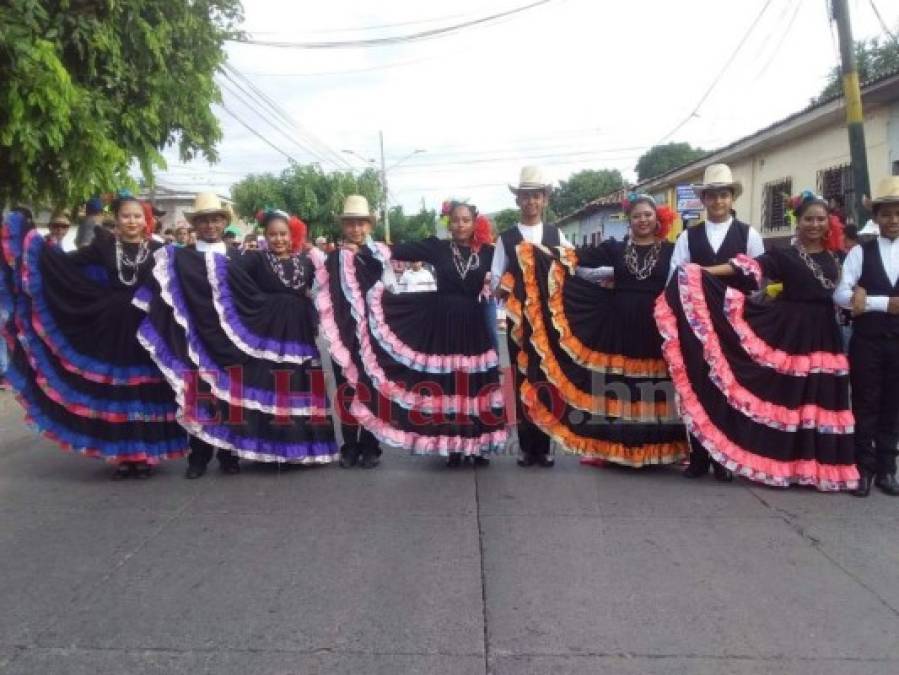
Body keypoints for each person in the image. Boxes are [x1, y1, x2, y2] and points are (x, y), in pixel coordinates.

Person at [657, 192, 857, 490]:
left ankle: (815, 467)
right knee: (790, 399)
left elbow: (846, 290)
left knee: (818, 399)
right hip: (790, 333)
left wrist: (866, 296)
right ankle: (785, 465)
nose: (814, 224)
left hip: (825, 334)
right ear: (798, 222)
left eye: (820, 219)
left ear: (830, 223)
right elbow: (747, 268)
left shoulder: (839, 256)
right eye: (808, 219)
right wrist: (701, 272)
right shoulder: (784, 254)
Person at [135, 205, 337, 474]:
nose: (278, 239)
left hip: (274, 334)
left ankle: (250, 453)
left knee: (277, 388)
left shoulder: (248, 257)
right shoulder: (243, 259)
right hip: (213, 334)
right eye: (273, 234)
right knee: (207, 389)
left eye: (283, 234)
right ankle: (199, 457)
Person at [0, 198, 188, 478]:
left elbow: (181, 283)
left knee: (146, 390)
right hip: (111, 326)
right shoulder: (103, 246)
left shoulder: (162, 251)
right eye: (126, 216)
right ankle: (124, 457)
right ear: (117, 219)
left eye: (137, 216)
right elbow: (65, 265)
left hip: (148, 329)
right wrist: (35, 249)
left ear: (148, 220)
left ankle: (146, 456)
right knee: (118, 391)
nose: (132, 221)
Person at [514, 194, 688, 467]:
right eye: (636, 216)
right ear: (629, 221)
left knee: (654, 386)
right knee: (622, 388)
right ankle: (619, 449)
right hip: (619, 325)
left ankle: (658, 450)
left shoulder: (671, 250)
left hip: (656, 326)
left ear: (658, 219)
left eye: (647, 215)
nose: (642, 220)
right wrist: (541, 253)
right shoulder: (615, 249)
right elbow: (576, 260)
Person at [346, 201, 507, 466]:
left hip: (473, 323)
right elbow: (399, 250)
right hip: (442, 322)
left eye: (466, 220)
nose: (460, 225)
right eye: (455, 220)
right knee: (450, 386)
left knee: (476, 386)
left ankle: (477, 446)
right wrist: (362, 247)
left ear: (475, 222)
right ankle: (454, 447)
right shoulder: (438, 247)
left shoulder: (489, 252)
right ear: (449, 222)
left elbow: (512, 266)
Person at [669, 163, 765, 481]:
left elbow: (758, 275)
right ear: (705, 199)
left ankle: (725, 458)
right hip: (695, 323)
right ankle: (698, 455)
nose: (718, 201)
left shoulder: (748, 234)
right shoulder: (689, 236)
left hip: (733, 323)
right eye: (712, 195)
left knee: (729, 387)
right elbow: (676, 276)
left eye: (723, 195)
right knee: (697, 386)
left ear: (731, 197)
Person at [492, 166, 568, 468]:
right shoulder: (506, 238)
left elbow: (570, 268)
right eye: (526, 196)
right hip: (518, 323)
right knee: (522, 378)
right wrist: (510, 288)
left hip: (548, 321)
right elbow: (496, 278)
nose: (531, 202)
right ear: (518, 201)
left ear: (545, 200)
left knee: (547, 379)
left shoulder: (555, 234)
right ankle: (526, 446)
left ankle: (545, 444)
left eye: (536, 196)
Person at [835, 177, 899, 497]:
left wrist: (866, 300)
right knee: (864, 402)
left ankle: (888, 469)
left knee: (893, 405)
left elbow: (858, 298)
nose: (893, 220)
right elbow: (842, 295)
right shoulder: (861, 251)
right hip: (867, 341)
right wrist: (885, 303)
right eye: (887, 213)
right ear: (876, 217)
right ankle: (863, 468)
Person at [315, 196, 386, 468]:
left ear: (368, 225)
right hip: (341, 335)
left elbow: (389, 291)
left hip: (372, 335)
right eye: (351, 224)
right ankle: (349, 445)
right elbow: (322, 292)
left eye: (361, 223)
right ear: (344, 227)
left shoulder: (378, 256)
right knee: (346, 389)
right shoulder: (332, 258)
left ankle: (370, 446)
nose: (356, 229)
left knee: (371, 389)